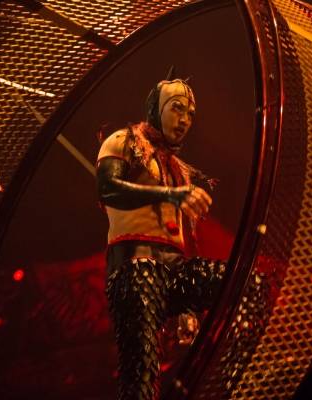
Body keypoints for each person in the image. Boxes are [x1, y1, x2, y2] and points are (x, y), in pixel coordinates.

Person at [96, 79, 259, 399]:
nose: (184, 119)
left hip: (174, 269)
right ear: (155, 109)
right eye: (177, 109)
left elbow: (177, 231)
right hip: (136, 268)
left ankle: (228, 386)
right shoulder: (123, 140)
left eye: (191, 114)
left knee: (246, 284)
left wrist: (187, 307)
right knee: (141, 376)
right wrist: (171, 194)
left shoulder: (175, 168)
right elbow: (107, 189)